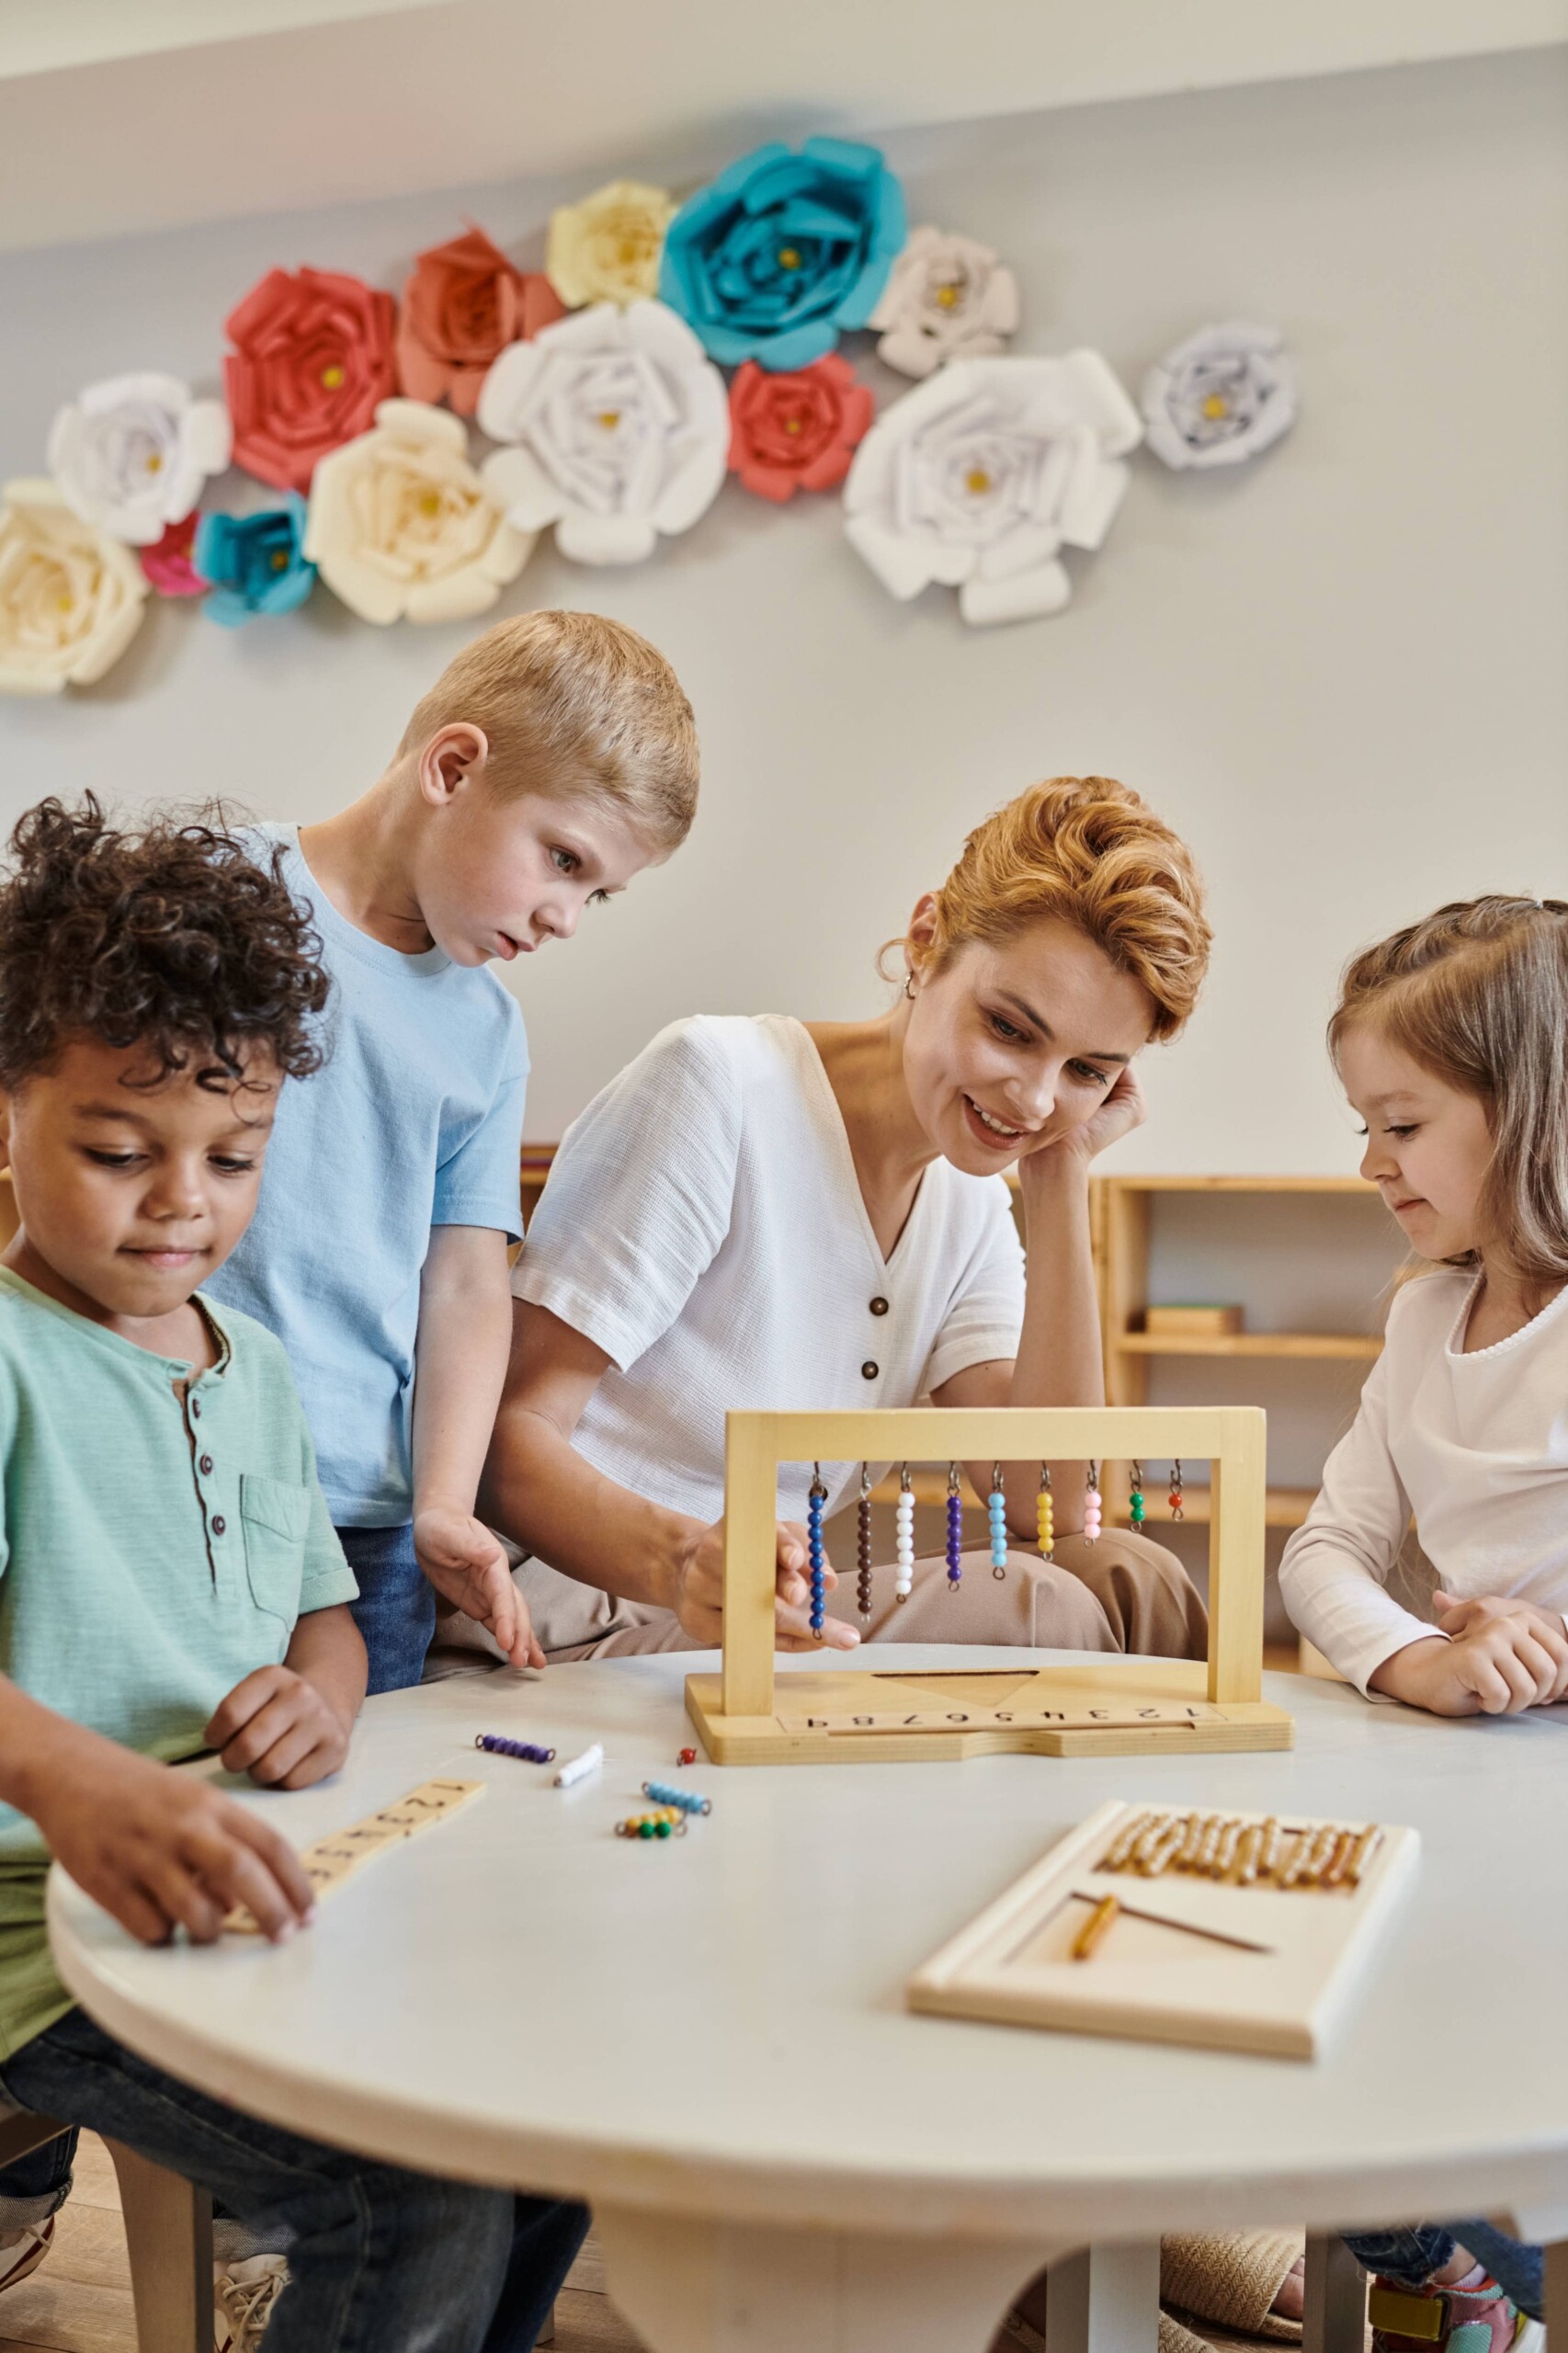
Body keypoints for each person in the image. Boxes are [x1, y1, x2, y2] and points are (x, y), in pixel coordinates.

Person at [0, 798, 585, 2353]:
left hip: (230, 1894)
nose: (184, 1199)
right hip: (35, 1941)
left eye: (236, 1155)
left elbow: (323, 1614)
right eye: (119, 1150)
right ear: (8, 1112)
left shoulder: (250, 1363)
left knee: (538, 2138)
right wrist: (80, 1785)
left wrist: (322, 1704)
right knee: (406, 2205)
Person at [478, 776, 1211, 1661]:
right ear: (928, 937)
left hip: (777, 1610)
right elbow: (506, 1442)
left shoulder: (974, 1194)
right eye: (1011, 1029)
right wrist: (685, 1563)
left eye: (1088, 1070)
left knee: (1134, 1574)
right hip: (585, 1614)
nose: (1034, 1095)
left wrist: (1059, 1178)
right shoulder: (718, 1084)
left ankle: (1161, 1805)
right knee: (1039, 1608)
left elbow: (1054, 1506)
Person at [204, 608, 701, 1697]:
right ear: (454, 766)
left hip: (366, 1526)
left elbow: (469, 1283)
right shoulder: (213, 899)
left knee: (346, 1814)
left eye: (598, 891)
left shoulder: (486, 1032)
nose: (566, 915)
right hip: (168, 1472)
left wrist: (441, 1498)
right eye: (561, 859)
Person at [1276, 895, 1568, 2353]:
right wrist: (1418, 1657)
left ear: (1525, 1112)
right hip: (1455, 1796)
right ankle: (1467, 2292)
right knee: (1326, 2075)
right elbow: (1323, 1549)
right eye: (1361, 1125)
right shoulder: (1417, 1321)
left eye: (1399, 1124)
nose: (1368, 1163)